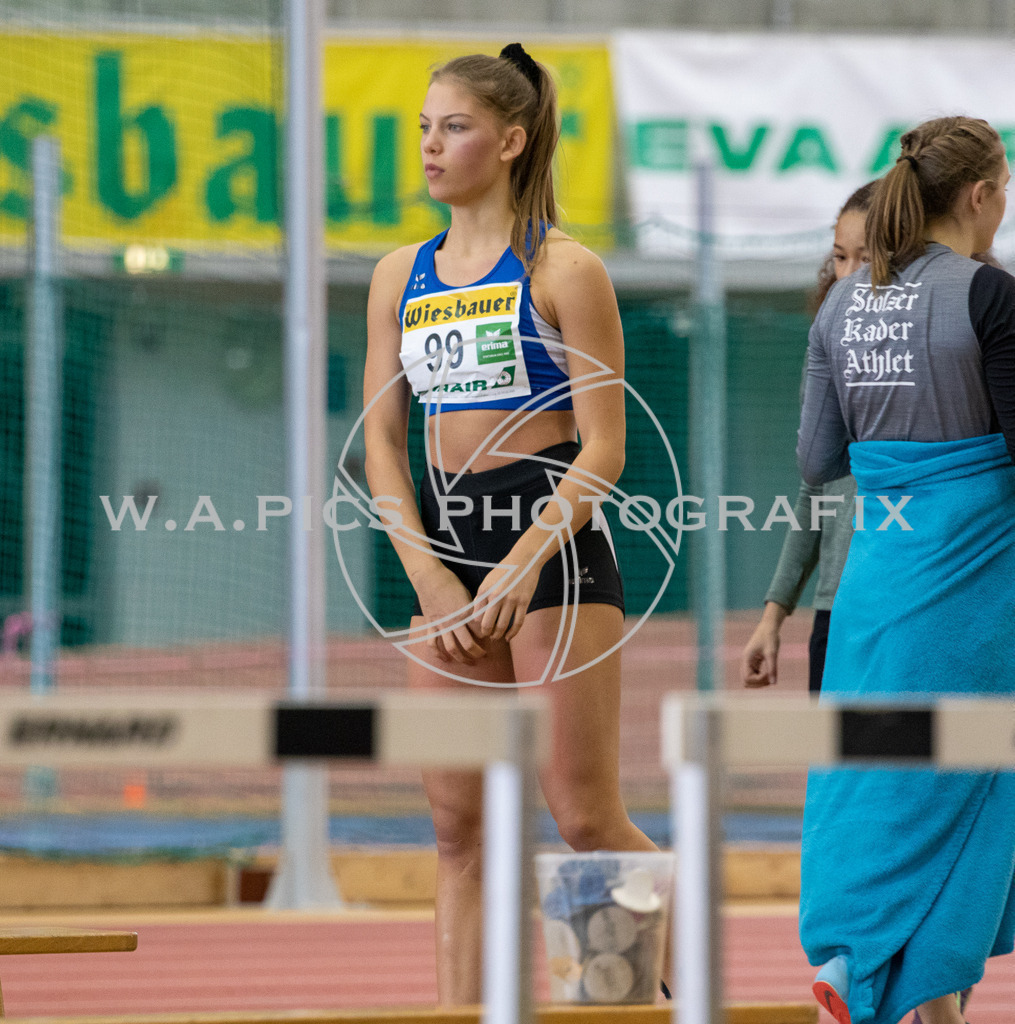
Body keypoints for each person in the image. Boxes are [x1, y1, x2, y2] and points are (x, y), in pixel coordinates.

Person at [363, 45, 660, 1004]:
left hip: (552, 553)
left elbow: (605, 449)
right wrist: (433, 581)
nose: (430, 145)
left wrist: (522, 565)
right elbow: (379, 448)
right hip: (445, 558)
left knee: (580, 815)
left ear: (511, 139)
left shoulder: (566, 270)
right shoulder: (397, 276)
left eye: (452, 126)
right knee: (461, 829)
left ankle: (668, 992)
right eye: (423, 127)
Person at [795, 116, 1015, 1024]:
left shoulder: (837, 308)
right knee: (968, 792)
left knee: (868, 784)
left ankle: (847, 962)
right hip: (976, 587)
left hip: (874, 592)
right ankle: (920, 991)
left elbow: (815, 462)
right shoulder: (990, 295)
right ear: (980, 196)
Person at [741, 181, 875, 693]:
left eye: (867, 258)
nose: (849, 274)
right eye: (840, 257)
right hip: (833, 611)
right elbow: (812, 494)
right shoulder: (824, 351)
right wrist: (773, 618)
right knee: (836, 771)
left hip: (902, 605)